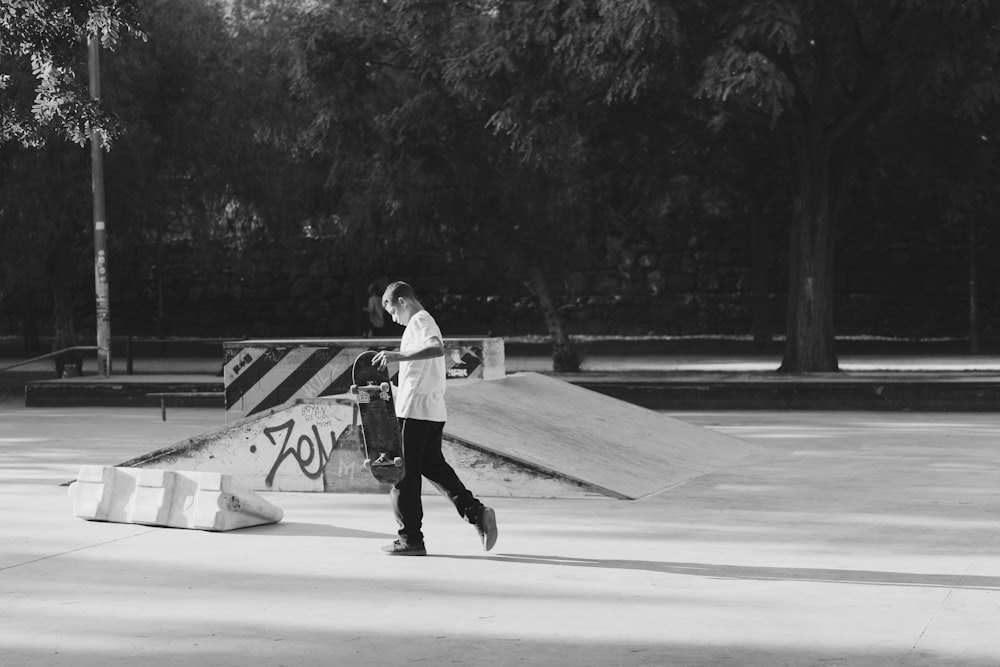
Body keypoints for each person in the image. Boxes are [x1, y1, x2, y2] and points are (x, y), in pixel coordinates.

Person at [372, 281, 498, 556]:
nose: (394, 319)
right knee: (434, 467)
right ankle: (475, 513)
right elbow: (418, 372)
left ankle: (410, 539)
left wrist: (397, 355)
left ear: (403, 301)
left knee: (403, 475)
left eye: (393, 311)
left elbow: (436, 348)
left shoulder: (419, 321)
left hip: (416, 412)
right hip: (430, 411)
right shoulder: (420, 323)